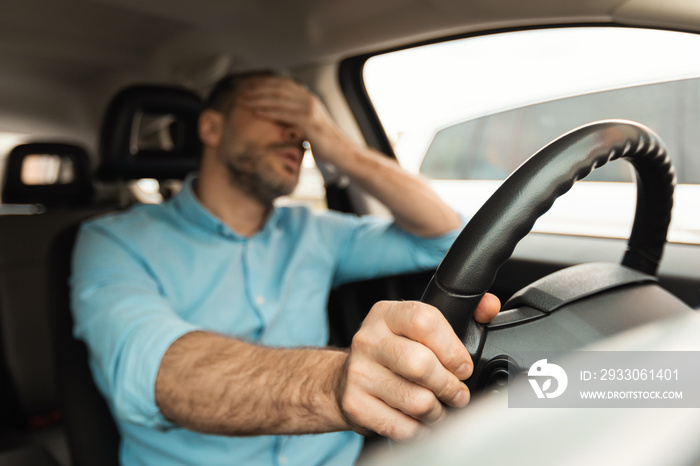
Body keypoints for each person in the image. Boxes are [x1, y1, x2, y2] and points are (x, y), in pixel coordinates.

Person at [70, 70, 501, 465]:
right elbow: (155, 370)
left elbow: (445, 237)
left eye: (306, 125)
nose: (297, 135)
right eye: (278, 113)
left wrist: (338, 145)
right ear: (211, 127)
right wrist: (334, 383)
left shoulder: (315, 232)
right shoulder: (112, 240)